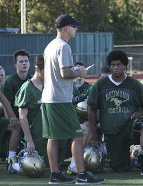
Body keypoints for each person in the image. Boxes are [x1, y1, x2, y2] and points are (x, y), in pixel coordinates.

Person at [41, 14, 104, 184]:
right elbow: (65, 72)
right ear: (66, 28)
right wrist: (80, 73)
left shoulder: (50, 46)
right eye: (74, 26)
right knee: (77, 135)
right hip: (60, 99)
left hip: (48, 98)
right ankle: (82, 175)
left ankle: (55, 175)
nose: (76, 29)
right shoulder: (64, 47)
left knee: (53, 137)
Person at [87, 50, 143, 172]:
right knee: (120, 167)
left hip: (130, 126)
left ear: (125, 66)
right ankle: (137, 160)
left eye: (118, 65)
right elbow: (91, 108)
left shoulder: (134, 84)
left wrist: (140, 113)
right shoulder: (101, 84)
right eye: (112, 65)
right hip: (112, 131)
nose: (115, 68)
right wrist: (94, 134)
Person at [15, 55, 49, 166]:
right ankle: (15, 164)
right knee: (36, 167)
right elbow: (22, 117)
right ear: (37, 69)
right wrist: (29, 140)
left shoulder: (49, 86)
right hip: (37, 138)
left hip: (50, 135)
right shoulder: (27, 88)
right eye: (46, 71)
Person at [2, 50, 31, 117]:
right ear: (15, 65)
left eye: (26, 61)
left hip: (31, 118)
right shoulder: (9, 81)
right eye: (21, 61)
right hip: (15, 119)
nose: (24, 63)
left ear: (29, 63)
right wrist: (11, 120)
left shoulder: (32, 80)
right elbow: (6, 105)